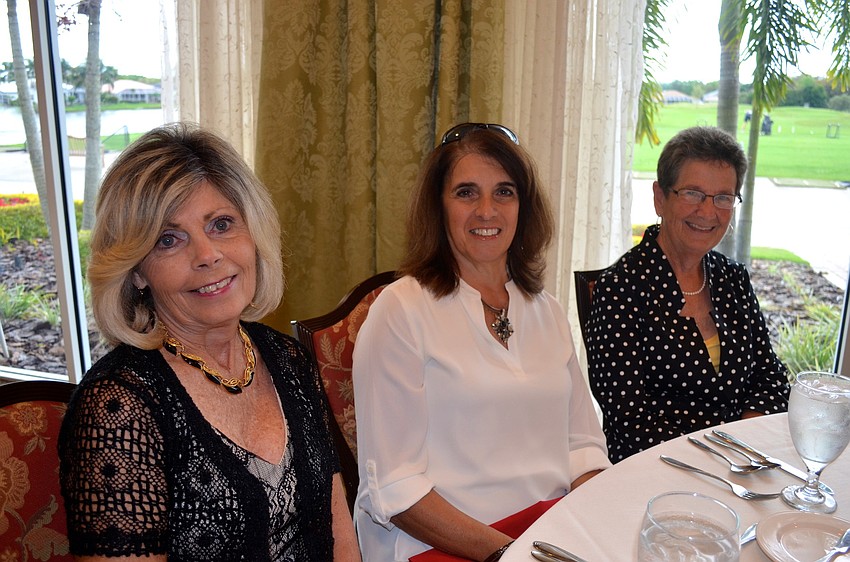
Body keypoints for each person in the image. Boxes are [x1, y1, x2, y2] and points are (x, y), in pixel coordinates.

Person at [58, 123, 360, 561]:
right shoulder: (118, 407)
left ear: (253, 233)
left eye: (221, 225)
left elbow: (339, 534)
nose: (207, 255)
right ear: (137, 272)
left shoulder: (287, 359)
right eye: (168, 239)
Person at [352, 123, 611, 561]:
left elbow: (583, 447)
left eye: (504, 192)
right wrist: (510, 553)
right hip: (441, 545)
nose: (487, 211)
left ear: (523, 208)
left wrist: (583, 532)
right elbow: (395, 488)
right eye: (466, 193)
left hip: (546, 534)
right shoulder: (401, 311)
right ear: (439, 208)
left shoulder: (547, 311)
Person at [587, 126, 789, 463]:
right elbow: (631, 420)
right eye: (693, 193)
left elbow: (769, 377)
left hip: (742, 466)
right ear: (659, 198)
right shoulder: (620, 290)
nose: (708, 212)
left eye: (723, 197)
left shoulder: (733, 279)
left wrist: (744, 447)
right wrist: (724, 458)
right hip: (657, 474)